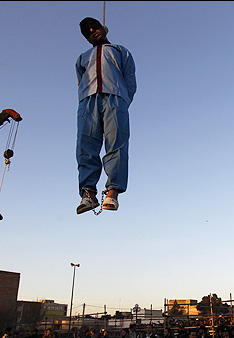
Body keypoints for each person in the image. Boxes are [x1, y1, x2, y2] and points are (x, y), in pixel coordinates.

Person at [75, 17, 137, 214]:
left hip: (116, 98)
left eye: (95, 27)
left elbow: (129, 80)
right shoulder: (82, 57)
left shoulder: (120, 51)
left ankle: (112, 192)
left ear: (103, 28)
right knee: (86, 145)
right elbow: (80, 81)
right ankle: (88, 193)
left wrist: (124, 101)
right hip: (88, 101)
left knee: (116, 143)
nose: (93, 30)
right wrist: (84, 100)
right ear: (87, 38)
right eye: (88, 31)